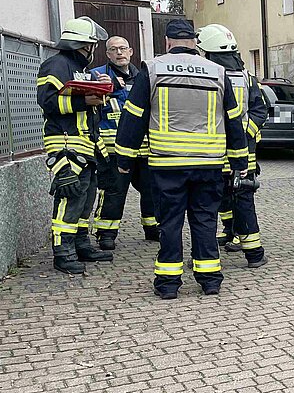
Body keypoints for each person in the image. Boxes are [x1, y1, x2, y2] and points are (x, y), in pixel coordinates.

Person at [114, 19, 248, 299]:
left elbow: (134, 116)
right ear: (195, 42)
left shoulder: (153, 69)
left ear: (167, 42)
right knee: (205, 221)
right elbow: (234, 120)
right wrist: (239, 163)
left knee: (170, 223)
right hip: (208, 163)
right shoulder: (217, 71)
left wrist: (124, 158)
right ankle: (210, 280)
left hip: (167, 164)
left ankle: (168, 284)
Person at [36, 16, 114, 274]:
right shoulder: (56, 65)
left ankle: (81, 245)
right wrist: (85, 101)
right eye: (93, 45)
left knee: (85, 199)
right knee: (69, 198)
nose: (94, 50)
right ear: (85, 45)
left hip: (85, 144)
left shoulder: (82, 69)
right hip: (65, 143)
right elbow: (47, 102)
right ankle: (63, 253)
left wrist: (99, 93)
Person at [197, 24, 270, 269]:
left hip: (213, 152)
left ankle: (206, 255)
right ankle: (253, 253)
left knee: (208, 201)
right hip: (243, 153)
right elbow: (260, 110)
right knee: (242, 200)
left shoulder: (207, 74)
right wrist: (245, 134)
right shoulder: (246, 77)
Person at [89, 36, 151, 250]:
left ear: (131, 51)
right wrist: (110, 86)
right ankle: (106, 234)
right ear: (107, 54)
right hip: (113, 149)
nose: (119, 53)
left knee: (151, 190)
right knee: (113, 192)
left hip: (144, 149)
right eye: (114, 49)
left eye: (123, 48)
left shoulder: (142, 76)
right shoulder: (97, 75)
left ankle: (152, 228)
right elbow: (90, 101)